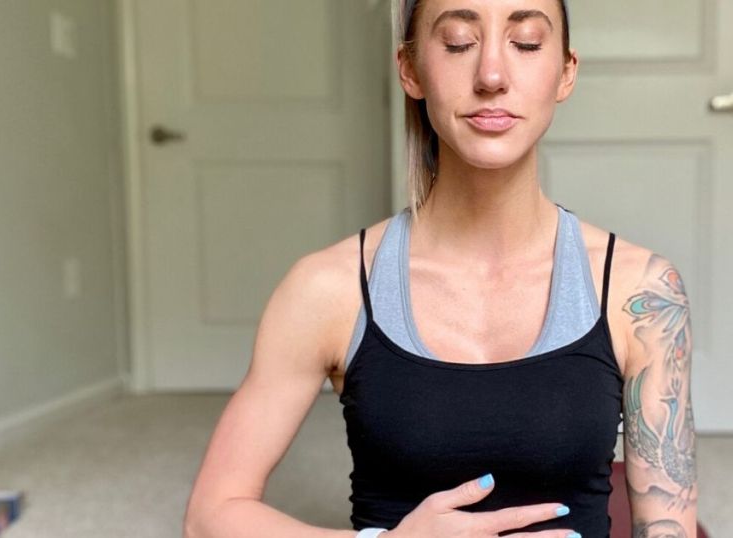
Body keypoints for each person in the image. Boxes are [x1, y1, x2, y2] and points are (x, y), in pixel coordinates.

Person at [183, 0, 698, 537]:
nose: (492, 76)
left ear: (565, 73)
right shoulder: (328, 289)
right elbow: (209, 516)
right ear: (410, 69)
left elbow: (670, 527)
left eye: (525, 43)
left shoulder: (641, 292)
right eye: (457, 42)